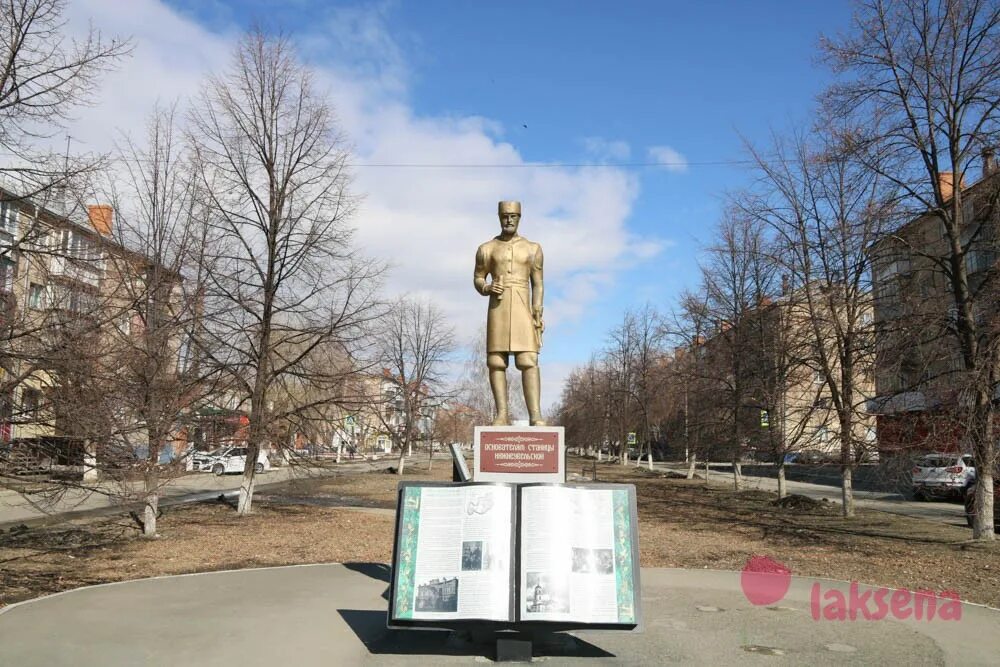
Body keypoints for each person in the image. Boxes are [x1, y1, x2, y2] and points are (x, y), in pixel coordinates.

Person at [473, 200, 546, 425]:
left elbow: (538, 284)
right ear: (499, 216)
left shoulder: (533, 248)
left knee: (528, 360)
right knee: (496, 361)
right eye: (505, 215)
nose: (509, 219)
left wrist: (537, 312)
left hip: (523, 304)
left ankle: (535, 415)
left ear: (520, 217)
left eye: (513, 215)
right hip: (498, 306)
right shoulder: (486, 248)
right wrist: (486, 287)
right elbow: (478, 277)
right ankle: (502, 414)